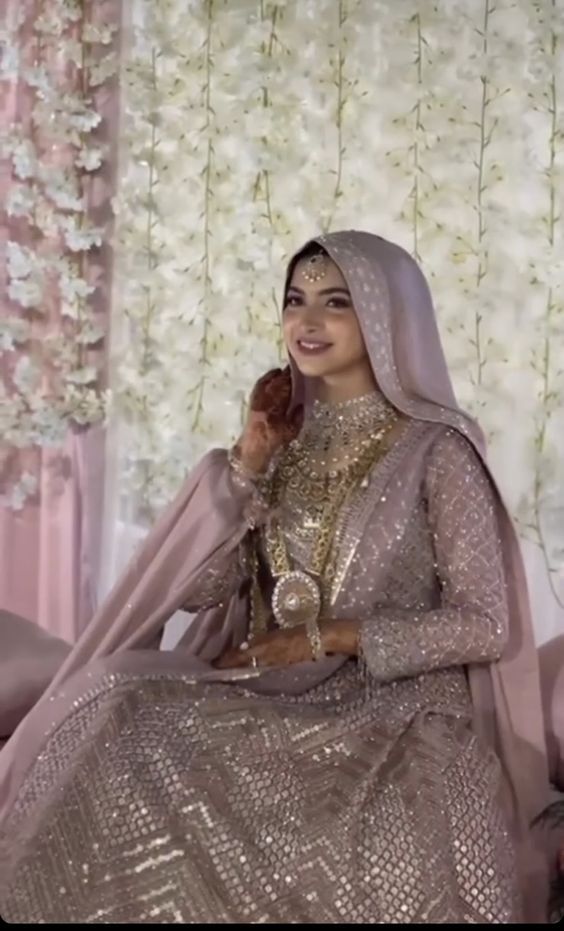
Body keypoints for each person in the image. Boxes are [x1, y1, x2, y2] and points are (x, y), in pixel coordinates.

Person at [0, 231, 555, 923]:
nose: (307, 321)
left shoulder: (438, 450)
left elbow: (485, 621)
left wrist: (330, 637)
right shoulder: (283, 438)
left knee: (398, 820)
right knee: (117, 700)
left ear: (389, 315)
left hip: (389, 706)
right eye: (296, 300)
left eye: (336, 301)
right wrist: (247, 464)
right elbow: (204, 592)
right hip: (263, 690)